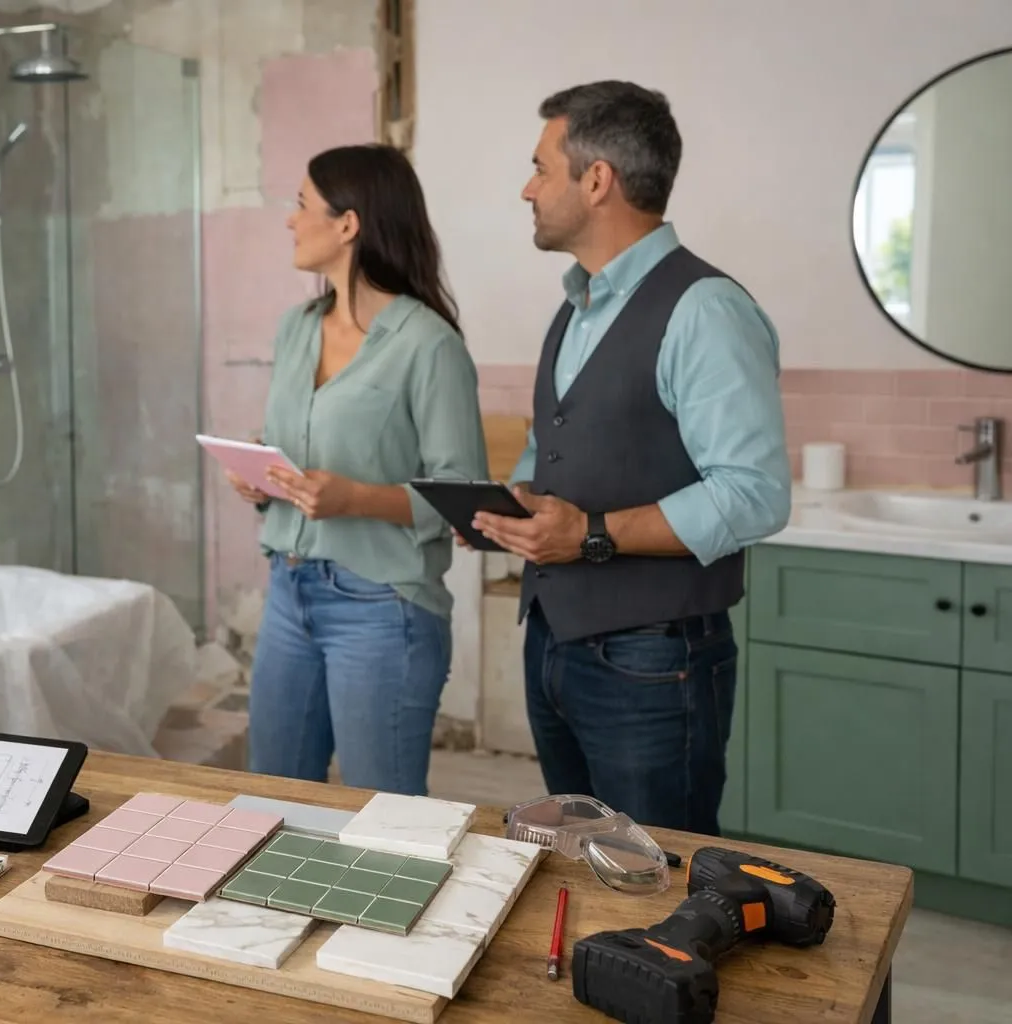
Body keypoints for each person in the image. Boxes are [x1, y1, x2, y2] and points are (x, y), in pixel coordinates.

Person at [471, 81, 790, 836]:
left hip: (654, 661)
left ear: (597, 179)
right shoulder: (576, 307)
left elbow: (754, 493)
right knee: (583, 860)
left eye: (540, 168)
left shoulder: (705, 309)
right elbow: (564, 449)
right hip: (556, 642)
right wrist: (515, 510)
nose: (528, 189)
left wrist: (588, 534)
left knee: (659, 875)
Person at [226, 143, 488, 797]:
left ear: (348, 224)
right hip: (288, 591)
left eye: (301, 205)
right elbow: (298, 446)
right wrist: (262, 476)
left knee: (384, 815)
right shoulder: (295, 328)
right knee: (274, 799)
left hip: (382, 607)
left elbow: (463, 495)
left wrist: (355, 499)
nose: (290, 220)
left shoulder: (429, 345)